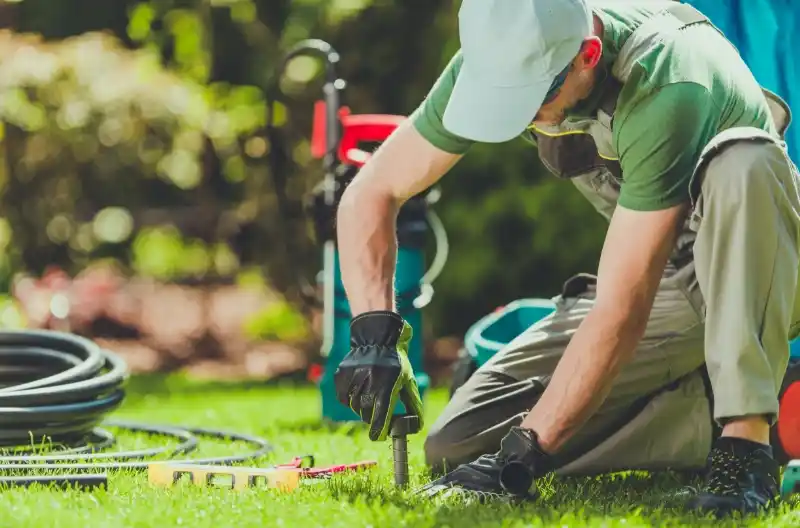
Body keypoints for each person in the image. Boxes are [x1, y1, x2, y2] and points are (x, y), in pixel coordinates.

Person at [332, 0, 800, 517]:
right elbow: (370, 192)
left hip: (767, 266)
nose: (523, 115)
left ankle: (746, 442)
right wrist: (374, 329)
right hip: (671, 282)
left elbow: (623, 308)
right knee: (460, 443)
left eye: (534, 97)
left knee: (744, 159)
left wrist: (526, 453)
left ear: (588, 55)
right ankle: (762, 402)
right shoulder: (501, 52)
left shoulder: (668, 79)